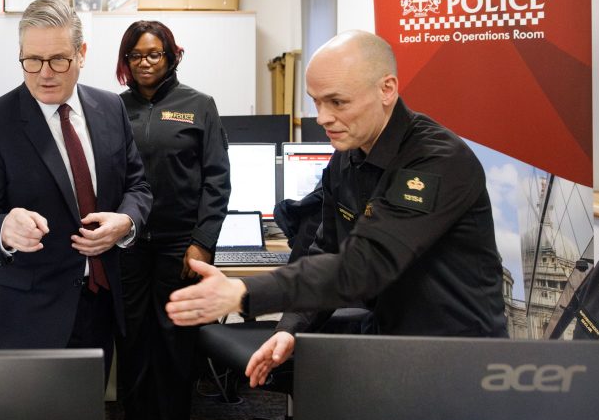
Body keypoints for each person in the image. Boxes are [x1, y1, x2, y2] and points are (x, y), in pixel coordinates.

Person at [166, 29, 508, 387]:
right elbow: (326, 249)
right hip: (395, 345)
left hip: (462, 356)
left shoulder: (435, 160)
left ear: (387, 89)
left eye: (337, 102)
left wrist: (246, 293)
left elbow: (363, 266)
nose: (322, 117)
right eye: (316, 102)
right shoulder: (347, 157)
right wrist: (291, 327)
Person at [0, 0, 152, 377]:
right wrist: (3, 229)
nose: (44, 73)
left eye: (59, 59)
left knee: (87, 410)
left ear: (81, 54)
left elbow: (138, 186)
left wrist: (126, 222)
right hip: (27, 314)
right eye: (32, 60)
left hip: (99, 301)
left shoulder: (111, 109)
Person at [114, 20, 230, 420]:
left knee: (175, 343)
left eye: (153, 54)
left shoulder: (199, 104)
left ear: (171, 55)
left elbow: (217, 180)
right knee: (132, 341)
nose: (144, 63)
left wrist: (202, 242)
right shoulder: (113, 108)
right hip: (127, 245)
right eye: (135, 55)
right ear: (125, 60)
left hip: (179, 246)